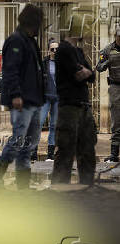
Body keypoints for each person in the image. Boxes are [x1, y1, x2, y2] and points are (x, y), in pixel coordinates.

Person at [0, 4, 45, 189]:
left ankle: (23, 186)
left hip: (35, 101)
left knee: (29, 145)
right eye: (39, 21)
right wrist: (15, 95)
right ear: (32, 22)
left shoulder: (30, 41)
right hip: (22, 102)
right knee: (18, 141)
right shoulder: (16, 40)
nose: (41, 25)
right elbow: (10, 70)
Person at [51, 14, 97, 185]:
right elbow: (78, 75)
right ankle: (59, 190)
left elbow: (91, 75)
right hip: (69, 107)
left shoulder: (78, 51)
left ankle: (87, 187)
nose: (87, 31)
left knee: (87, 150)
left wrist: (86, 72)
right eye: (84, 27)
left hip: (84, 107)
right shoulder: (64, 49)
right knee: (66, 150)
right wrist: (84, 72)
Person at [31, 39, 59, 162]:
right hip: (45, 97)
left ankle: (50, 154)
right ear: (49, 50)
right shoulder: (43, 63)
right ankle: (33, 152)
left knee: (54, 125)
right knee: (39, 123)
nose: (55, 51)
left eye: (57, 49)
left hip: (58, 98)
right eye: (52, 49)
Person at [96, 26, 120, 163]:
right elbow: (99, 67)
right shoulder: (107, 50)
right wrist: (106, 62)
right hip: (116, 87)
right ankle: (113, 154)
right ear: (116, 36)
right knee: (117, 121)